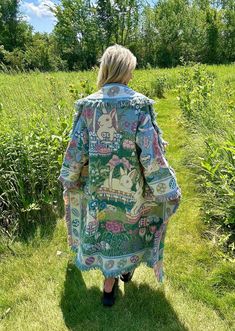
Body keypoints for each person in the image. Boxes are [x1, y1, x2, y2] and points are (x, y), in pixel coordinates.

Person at [58, 44, 182, 307]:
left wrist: (70, 177)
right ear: (125, 70)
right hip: (130, 187)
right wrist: (165, 186)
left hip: (98, 189)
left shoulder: (89, 106)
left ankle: (108, 287)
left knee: (104, 230)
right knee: (127, 227)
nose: (132, 76)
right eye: (131, 70)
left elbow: (76, 147)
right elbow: (150, 153)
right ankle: (124, 269)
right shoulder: (138, 105)